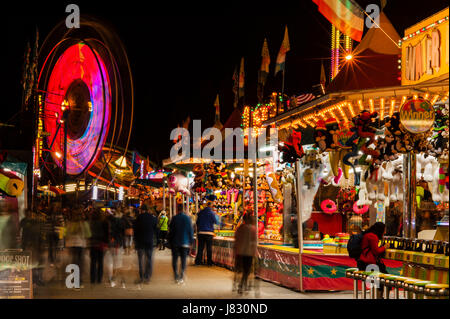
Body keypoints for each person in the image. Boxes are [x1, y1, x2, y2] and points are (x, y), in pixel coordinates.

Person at [168, 204, 194, 284]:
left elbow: (171, 231)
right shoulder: (188, 219)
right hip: (185, 242)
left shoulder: (174, 218)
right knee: (183, 260)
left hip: (175, 242)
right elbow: (190, 231)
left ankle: (176, 276)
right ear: (184, 210)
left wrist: (170, 241)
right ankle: (181, 276)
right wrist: (191, 242)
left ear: (177, 209)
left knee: (175, 259)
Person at [65, 209, 91, 288]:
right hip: (81, 245)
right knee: (80, 263)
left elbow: (66, 233)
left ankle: (73, 279)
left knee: (74, 261)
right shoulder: (84, 224)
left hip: (72, 245)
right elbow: (88, 234)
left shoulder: (70, 223)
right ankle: (78, 281)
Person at [233, 214, 257, 294]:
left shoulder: (240, 228)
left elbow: (236, 239)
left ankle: (242, 284)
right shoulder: (253, 229)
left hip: (240, 252)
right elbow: (254, 241)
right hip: (249, 252)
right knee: (247, 270)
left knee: (241, 269)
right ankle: (243, 284)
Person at [133, 204, 157, 284]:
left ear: (141, 210)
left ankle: (141, 277)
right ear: (147, 210)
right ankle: (147, 277)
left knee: (140, 260)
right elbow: (156, 229)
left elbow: (135, 230)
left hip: (140, 241)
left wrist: (135, 241)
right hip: (149, 241)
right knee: (149, 259)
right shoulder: (152, 218)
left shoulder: (138, 218)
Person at [195, 195, 219, 266]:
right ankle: (209, 262)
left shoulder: (201, 212)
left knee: (200, 248)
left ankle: (198, 262)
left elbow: (197, 222)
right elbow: (215, 221)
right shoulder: (212, 213)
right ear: (211, 206)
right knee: (209, 248)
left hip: (201, 233)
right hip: (209, 233)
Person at [88, 208, 109, 285]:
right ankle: (99, 279)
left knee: (93, 262)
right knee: (100, 261)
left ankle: (92, 279)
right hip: (101, 243)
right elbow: (107, 234)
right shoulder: (105, 222)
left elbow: (89, 233)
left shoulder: (91, 222)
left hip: (93, 243)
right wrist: (107, 243)